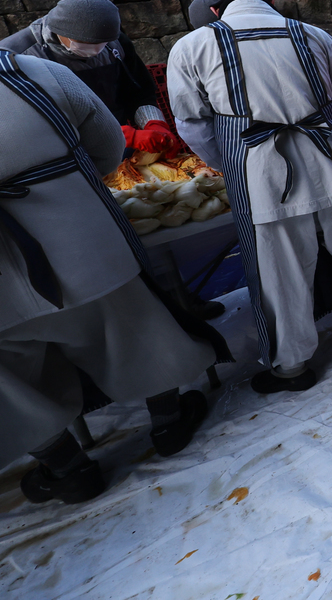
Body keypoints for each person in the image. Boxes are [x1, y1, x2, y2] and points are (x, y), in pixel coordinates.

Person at [0, 50, 228, 505]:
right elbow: (106, 144)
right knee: (130, 329)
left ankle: (66, 467)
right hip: (75, 239)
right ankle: (168, 419)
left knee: (7, 379)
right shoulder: (31, 70)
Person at [168, 0, 332, 394]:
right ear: (270, 1)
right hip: (328, 153)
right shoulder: (312, 34)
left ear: (216, 9)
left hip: (259, 168)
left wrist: (230, 159)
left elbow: (192, 125)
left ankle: (292, 366)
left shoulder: (191, 47)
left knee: (279, 267)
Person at [1, 0, 177, 155]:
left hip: (122, 146)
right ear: (60, 31)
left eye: (102, 43)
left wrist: (154, 123)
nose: (95, 50)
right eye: (84, 43)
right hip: (60, 156)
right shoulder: (16, 56)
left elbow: (139, 91)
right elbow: (23, 125)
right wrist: (113, 135)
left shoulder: (115, 44)